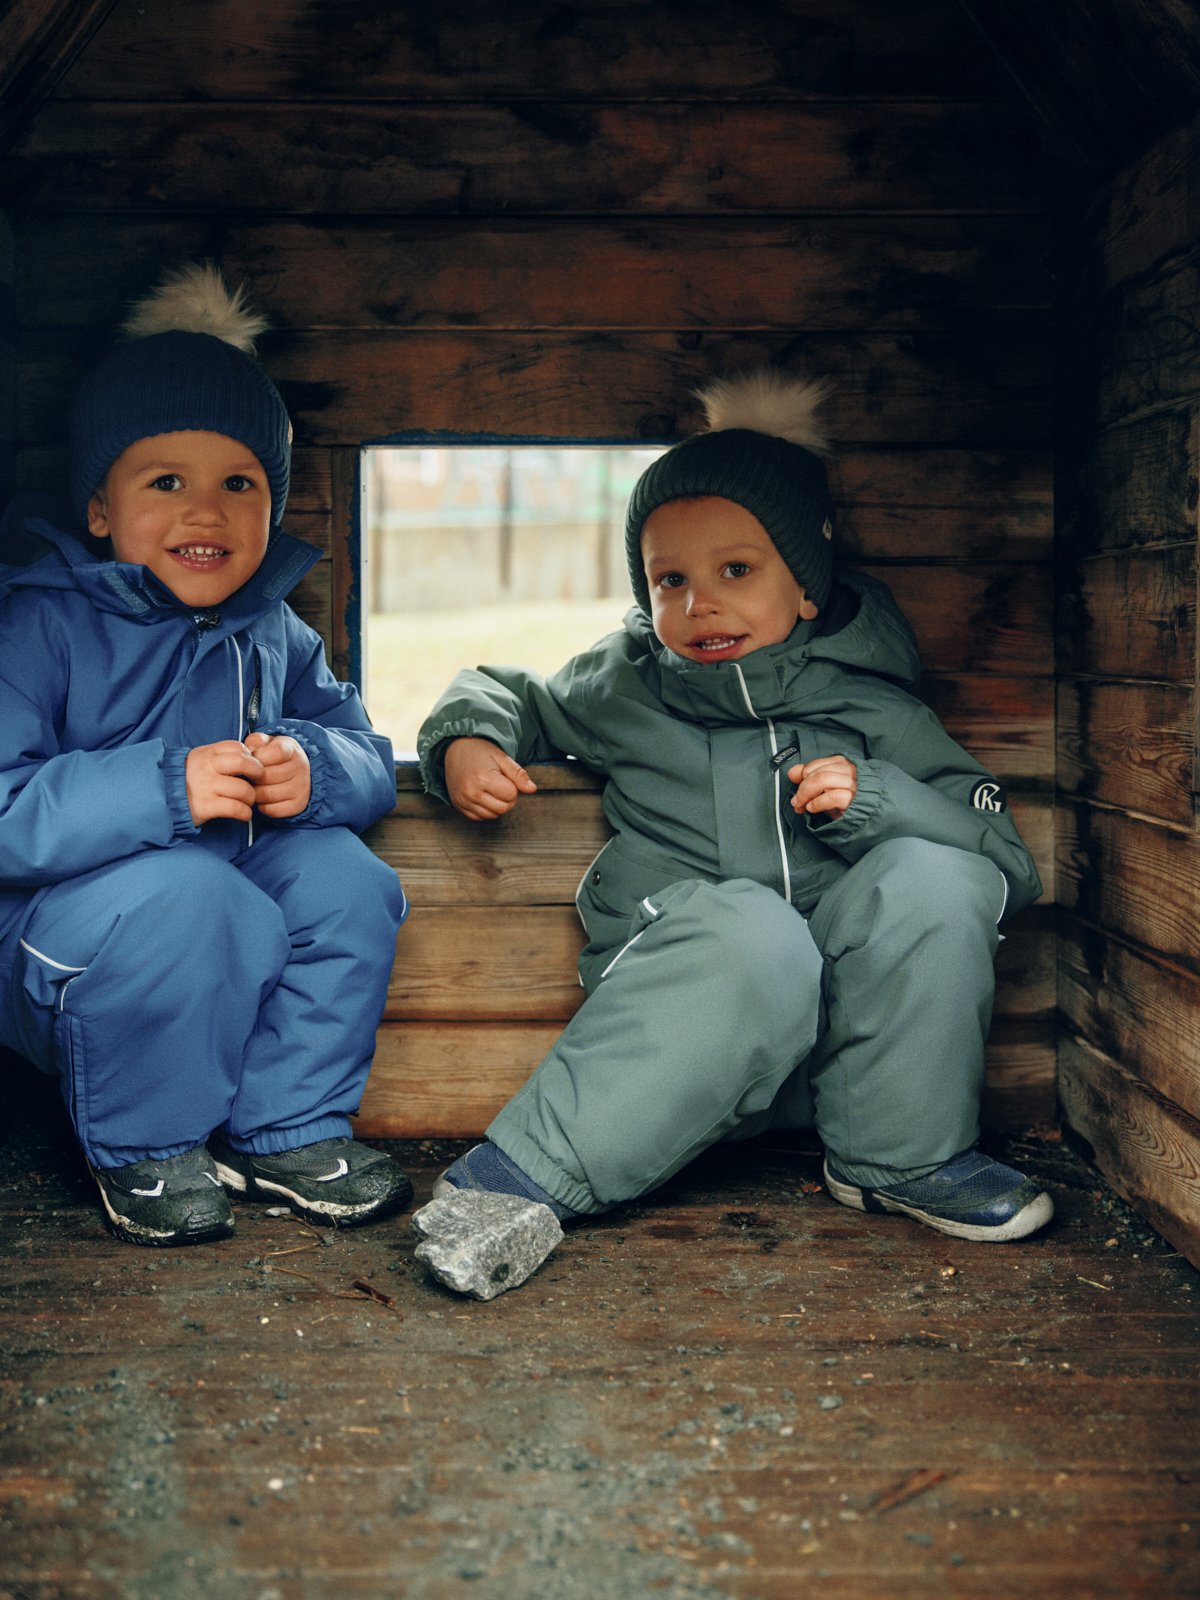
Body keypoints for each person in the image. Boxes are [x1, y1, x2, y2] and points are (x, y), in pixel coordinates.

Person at [413, 369, 1053, 1295]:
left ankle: (902, 1159)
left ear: (805, 587)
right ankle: (517, 1180)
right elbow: (508, 690)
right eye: (669, 580)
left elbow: (1005, 863)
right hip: (689, 1012)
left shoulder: (876, 708)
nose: (699, 603)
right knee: (752, 929)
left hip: (855, 1048)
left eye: (735, 572)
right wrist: (469, 738)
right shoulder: (627, 683)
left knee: (936, 874)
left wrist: (882, 799)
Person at [0, 264, 410, 1247]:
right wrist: (163, 786)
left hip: (215, 899)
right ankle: (146, 1145)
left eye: (240, 483)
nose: (207, 512)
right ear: (101, 508)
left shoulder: (273, 629)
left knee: (348, 882)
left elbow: (368, 753)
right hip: (53, 939)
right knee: (196, 894)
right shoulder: (39, 624)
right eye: (166, 481)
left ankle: (283, 1123)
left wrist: (312, 768)